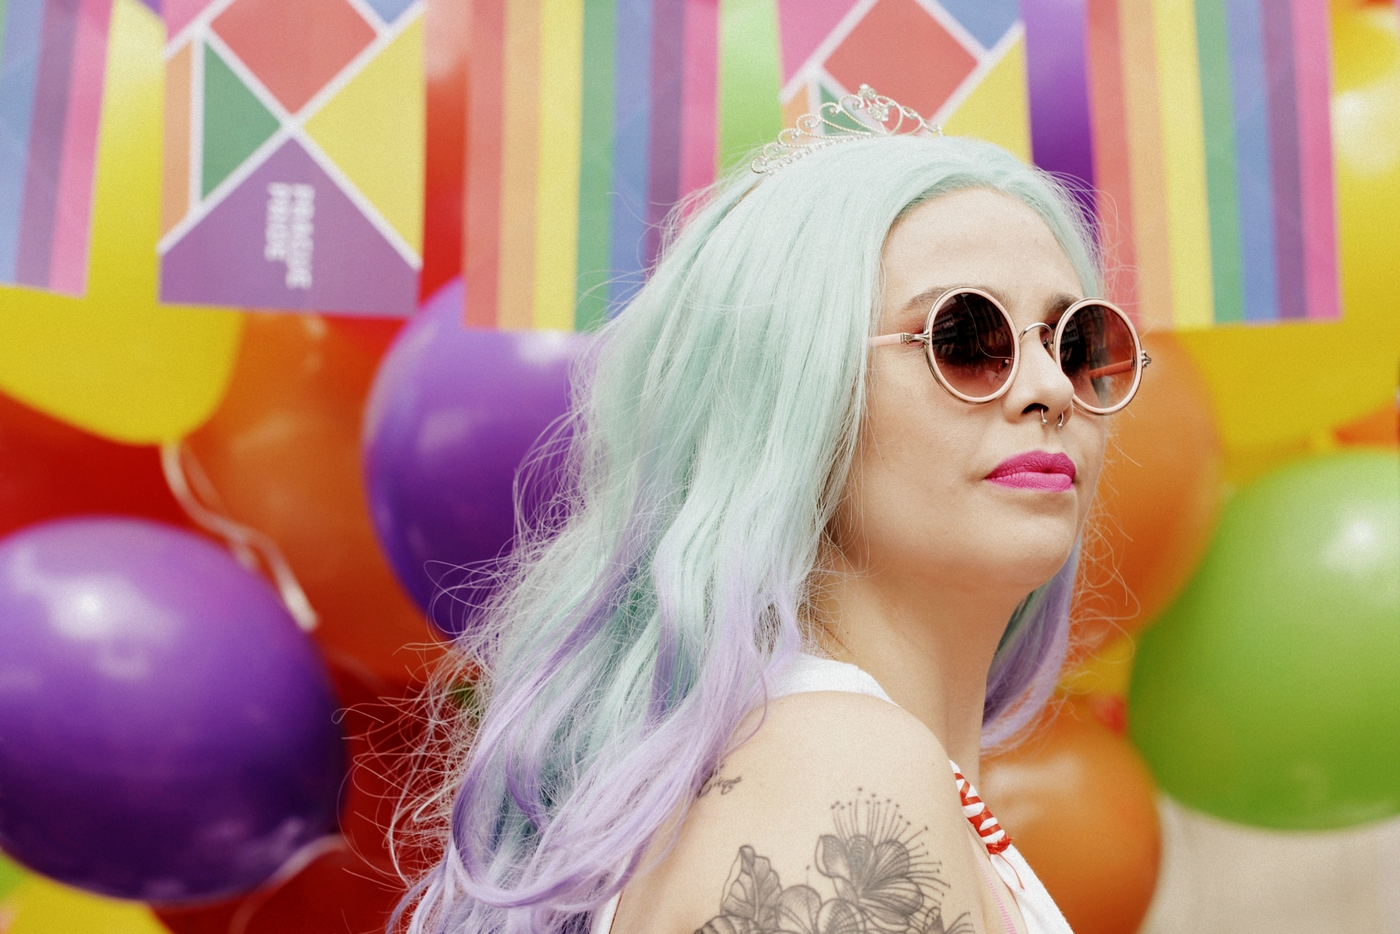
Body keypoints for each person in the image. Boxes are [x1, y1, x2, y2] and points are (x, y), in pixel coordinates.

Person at [398, 87, 1148, 934]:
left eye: (1078, 344)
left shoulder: (829, 755)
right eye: (966, 340)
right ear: (791, 397)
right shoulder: (838, 766)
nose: (1050, 390)